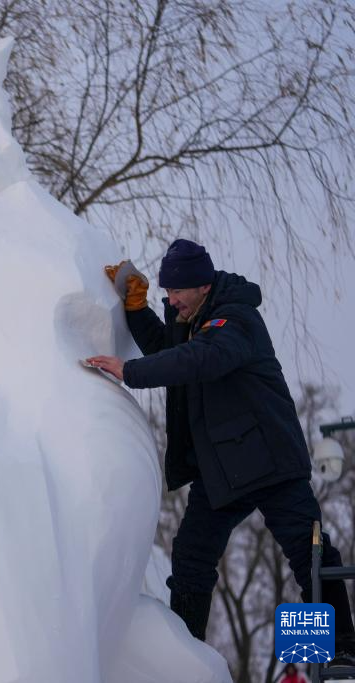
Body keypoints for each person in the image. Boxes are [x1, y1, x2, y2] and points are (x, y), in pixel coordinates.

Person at [85, 238, 355, 664]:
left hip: (269, 462)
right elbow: (168, 350)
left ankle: (340, 650)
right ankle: (185, 657)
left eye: (177, 291)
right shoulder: (190, 320)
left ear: (203, 286)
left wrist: (129, 371)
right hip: (222, 471)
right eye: (166, 291)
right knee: (191, 558)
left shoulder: (236, 318)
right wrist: (136, 307)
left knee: (309, 551)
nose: (171, 299)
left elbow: (199, 359)